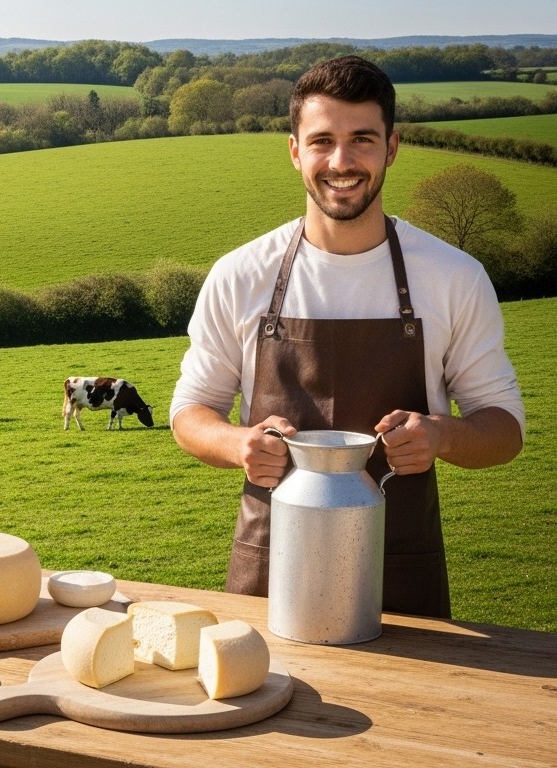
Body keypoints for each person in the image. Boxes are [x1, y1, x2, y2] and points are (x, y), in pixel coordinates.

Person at [169, 55, 524, 619]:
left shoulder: (454, 276)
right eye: (322, 141)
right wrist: (239, 444)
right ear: (294, 151)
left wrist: (443, 435)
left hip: (401, 576)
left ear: (392, 147)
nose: (341, 161)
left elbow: (504, 430)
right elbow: (191, 412)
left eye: (362, 139)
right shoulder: (240, 275)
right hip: (271, 568)